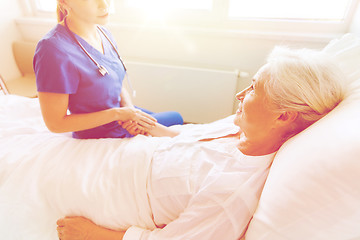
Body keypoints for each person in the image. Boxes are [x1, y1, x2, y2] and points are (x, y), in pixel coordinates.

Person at [56, 45, 345, 240]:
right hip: (129, 153)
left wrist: (93, 234)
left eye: (254, 88)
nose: (240, 95)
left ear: (283, 116)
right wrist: (152, 128)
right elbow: (188, 140)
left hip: (119, 191)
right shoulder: (238, 127)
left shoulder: (231, 192)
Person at [33, 0, 183, 140]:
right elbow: (56, 124)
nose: (104, 5)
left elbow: (115, 83)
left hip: (122, 116)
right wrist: (118, 114)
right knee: (175, 126)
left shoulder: (104, 33)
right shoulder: (52, 50)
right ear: (65, 2)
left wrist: (130, 113)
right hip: (99, 132)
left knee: (176, 118)